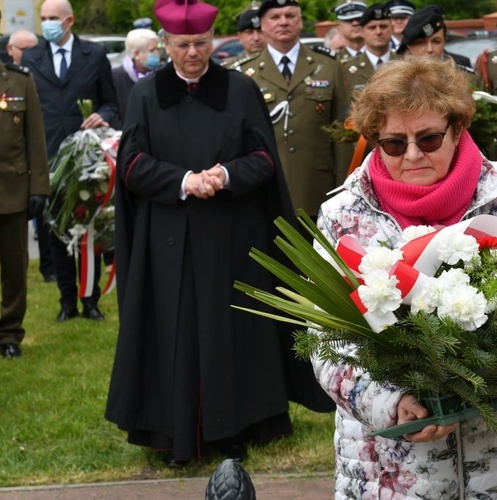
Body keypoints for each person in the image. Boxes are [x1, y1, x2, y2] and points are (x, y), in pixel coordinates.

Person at [315, 56, 497, 498]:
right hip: (394, 475)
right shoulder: (343, 216)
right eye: (394, 143)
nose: (413, 154)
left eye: (429, 138)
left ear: (457, 129)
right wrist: (390, 404)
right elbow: (327, 339)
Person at [105, 0, 333, 468]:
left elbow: (265, 159)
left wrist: (225, 175)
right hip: (168, 240)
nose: (193, 53)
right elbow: (130, 164)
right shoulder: (145, 94)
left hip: (233, 237)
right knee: (175, 332)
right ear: (165, 44)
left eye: (202, 44)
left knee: (233, 331)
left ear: (213, 41)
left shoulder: (240, 88)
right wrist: (183, 181)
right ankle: (175, 431)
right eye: (184, 45)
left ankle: (237, 427)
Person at [21, 0, 119, 321]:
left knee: (88, 229)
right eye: (43, 18)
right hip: (48, 157)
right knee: (57, 232)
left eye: (53, 18)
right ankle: (67, 302)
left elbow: (111, 104)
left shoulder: (95, 55)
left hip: (86, 159)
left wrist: (100, 116)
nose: (47, 23)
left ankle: (90, 301)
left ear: (70, 21)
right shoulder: (31, 58)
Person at [237, 0, 349, 215]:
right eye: (275, 17)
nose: (283, 22)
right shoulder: (244, 73)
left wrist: (343, 189)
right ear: (262, 24)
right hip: (264, 191)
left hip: (318, 190)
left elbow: (343, 134)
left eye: (290, 16)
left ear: (300, 21)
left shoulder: (328, 65)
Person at [0, 58, 50, 359]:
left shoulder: (20, 81)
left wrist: (39, 188)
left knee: (14, 267)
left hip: (12, 191)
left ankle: (9, 333)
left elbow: (35, 138)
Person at [396, 5, 474, 72]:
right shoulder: (395, 74)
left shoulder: (461, 66)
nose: (429, 49)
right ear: (409, 46)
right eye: (421, 42)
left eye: (436, 41)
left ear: (445, 39)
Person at [341, 4, 395, 99]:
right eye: (372, 27)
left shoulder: (404, 62)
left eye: (383, 26)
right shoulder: (345, 68)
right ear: (361, 31)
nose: (378, 32)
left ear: (392, 29)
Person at [112, 28, 160, 118]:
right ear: (136, 54)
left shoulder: (159, 75)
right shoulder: (115, 77)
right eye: (152, 50)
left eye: (158, 49)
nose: (157, 53)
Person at [223, 2, 266, 70]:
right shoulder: (229, 70)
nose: (256, 38)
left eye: (260, 31)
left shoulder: (283, 65)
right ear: (240, 36)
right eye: (249, 32)